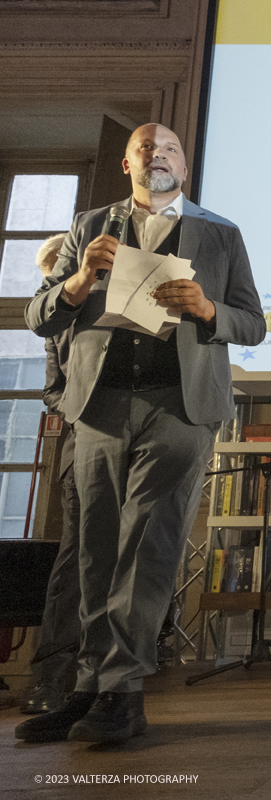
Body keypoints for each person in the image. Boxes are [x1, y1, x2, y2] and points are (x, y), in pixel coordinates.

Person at [17, 123, 265, 744]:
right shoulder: (90, 226)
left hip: (179, 407)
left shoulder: (222, 233)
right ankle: (88, 687)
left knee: (148, 547)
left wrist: (209, 311)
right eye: (146, 149)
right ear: (128, 162)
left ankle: (122, 691)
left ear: (185, 165)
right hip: (100, 405)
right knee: (95, 550)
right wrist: (77, 283)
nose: (159, 156)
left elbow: (253, 324)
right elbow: (39, 316)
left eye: (171, 149)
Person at [19, 234, 80, 716]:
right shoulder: (54, 327)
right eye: (48, 280)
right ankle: (51, 678)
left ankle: (111, 679)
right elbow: (53, 392)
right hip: (85, 447)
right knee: (77, 558)